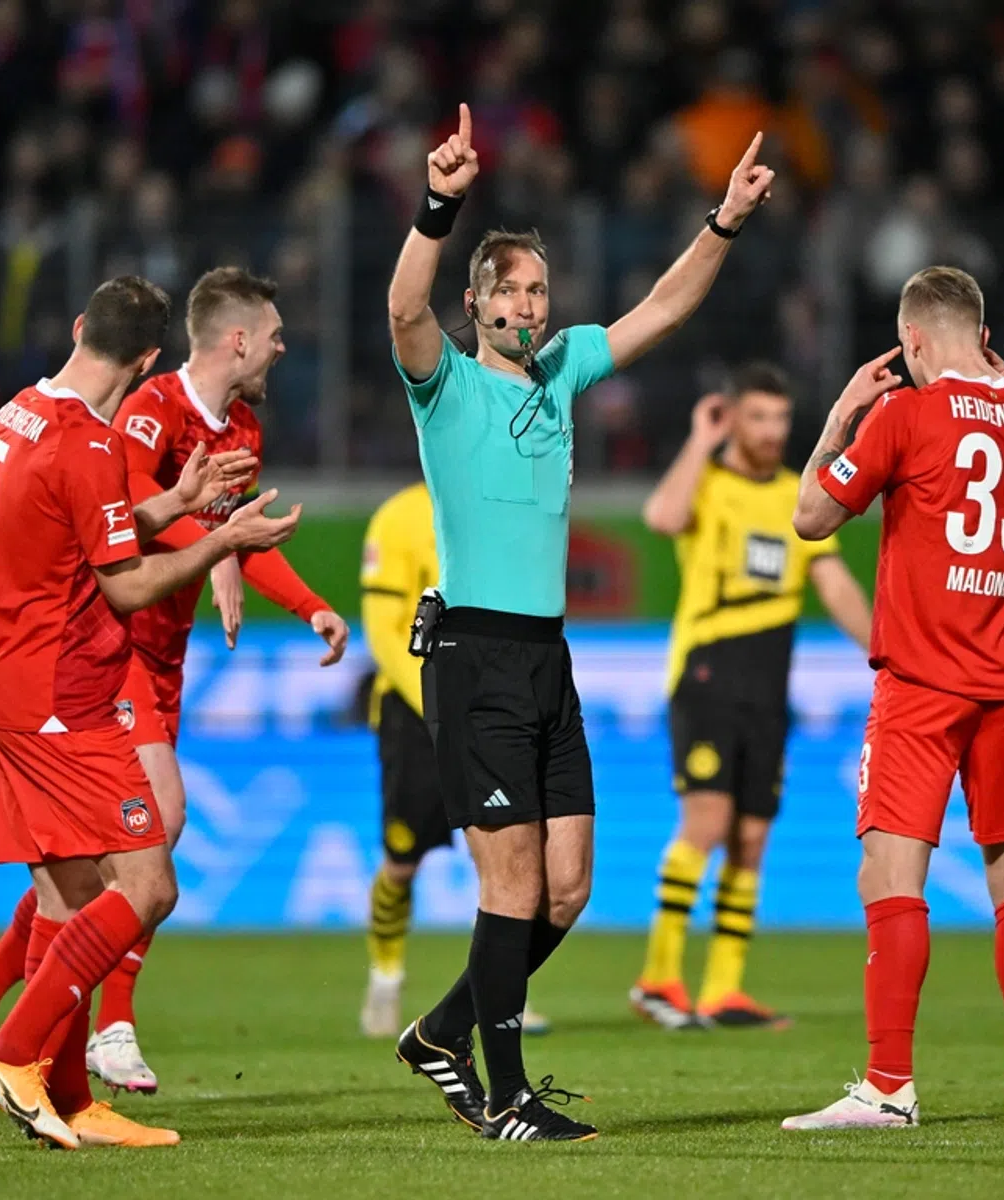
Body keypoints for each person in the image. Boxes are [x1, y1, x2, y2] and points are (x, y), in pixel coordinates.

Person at [386, 103, 774, 1143]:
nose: (528, 302)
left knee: (566, 889)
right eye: (509, 289)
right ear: (476, 304)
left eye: (539, 289)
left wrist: (724, 223)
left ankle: (439, 1033)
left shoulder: (562, 373)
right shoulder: (446, 386)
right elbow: (400, 311)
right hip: (474, 655)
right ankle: (506, 1097)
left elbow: (662, 309)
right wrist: (438, 207)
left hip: (546, 661)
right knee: (510, 884)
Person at [0, 267, 349, 1099]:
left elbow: (154, 519)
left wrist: (302, 602)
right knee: (146, 858)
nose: (283, 346)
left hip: (127, 659)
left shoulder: (26, 413)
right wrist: (211, 540)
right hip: (88, 663)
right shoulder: (133, 417)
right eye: (273, 333)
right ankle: (88, 1032)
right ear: (159, 356)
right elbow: (119, 540)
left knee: (78, 883)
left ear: (82, 325)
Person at [784, 265, 1004, 1130]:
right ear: (984, 334)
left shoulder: (904, 413)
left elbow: (810, 516)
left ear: (913, 340)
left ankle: (887, 1086)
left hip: (921, 682)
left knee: (887, 871)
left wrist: (842, 415)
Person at [631, 365, 872, 1031]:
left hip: (769, 681)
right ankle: (659, 977)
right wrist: (698, 443)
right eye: (758, 417)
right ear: (733, 417)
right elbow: (661, 516)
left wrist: (883, 648)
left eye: (780, 419)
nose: (771, 432)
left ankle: (724, 990)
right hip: (708, 671)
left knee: (752, 836)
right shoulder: (706, 481)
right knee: (705, 823)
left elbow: (834, 581)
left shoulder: (796, 496)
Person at [357, 480, 549, 1039]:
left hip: (491, 709)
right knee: (401, 860)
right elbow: (384, 630)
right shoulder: (397, 517)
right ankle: (386, 977)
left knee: (507, 857)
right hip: (414, 714)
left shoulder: (499, 504)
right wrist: (436, 704)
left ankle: (502, 992)